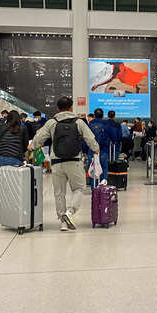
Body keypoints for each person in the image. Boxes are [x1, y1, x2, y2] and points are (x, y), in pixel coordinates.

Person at [30, 96, 100, 231]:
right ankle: (70, 212)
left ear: (58, 108)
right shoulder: (79, 122)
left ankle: (63, 222)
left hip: (57, 162)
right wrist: (96, 148)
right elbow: (90, 138)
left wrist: (32, 146)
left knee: (59, 193)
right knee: (79, 188)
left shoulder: (52, 122)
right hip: (74, 161)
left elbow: (39, 138)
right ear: (71, 108)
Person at [87, 108, 115, 185]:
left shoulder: (90, 124)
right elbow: (113, 136)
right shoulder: (106, 124)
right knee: (103, 168)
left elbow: (85, 138)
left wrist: (84, 150)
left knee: (92, 168)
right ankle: (102, 187)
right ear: (103, 115)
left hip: (92, 149)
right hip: (103, 149)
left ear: (94, 115)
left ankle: (94, 188)